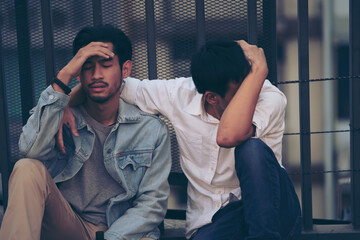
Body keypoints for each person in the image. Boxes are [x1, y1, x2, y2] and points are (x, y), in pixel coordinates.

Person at [59, 39, 302, 239]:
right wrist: (65, 105)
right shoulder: (179, 94)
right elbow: (114, 86)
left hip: (273, 213)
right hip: (213, 220)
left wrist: (259, 71)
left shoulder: (268, 96)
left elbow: (229, 135)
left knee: (251, 149)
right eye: (240, 93)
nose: (249, 96)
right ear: (211, 98)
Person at [0, 25, 171, 240]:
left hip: (123, 232)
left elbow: (152, 204)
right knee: (26, 168)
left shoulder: (151, 130)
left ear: (126, 69)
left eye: (106, 65)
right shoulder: (60, 117)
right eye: (86, 66)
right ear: (78, 74)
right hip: (69, 225)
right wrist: (63, 79)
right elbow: (31, 150)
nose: (96, 74)